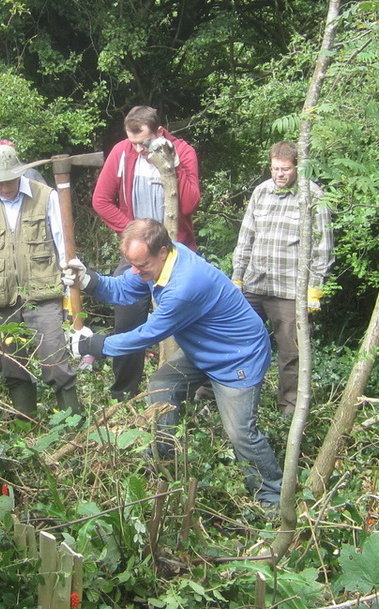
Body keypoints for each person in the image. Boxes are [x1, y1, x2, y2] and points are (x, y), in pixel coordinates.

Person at [64, 219, 284, 509]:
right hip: (202, 347)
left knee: (240, 433)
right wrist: (89, 281)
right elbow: (124, 288)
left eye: (141, 265)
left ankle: (272, 495)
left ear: (163, 251)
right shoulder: (159, 262)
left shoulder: (184, 285)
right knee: (162, 386)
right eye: (132, 264)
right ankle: (163, 458)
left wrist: (93, 346)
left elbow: (147, 334)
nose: (136, 271)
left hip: (237, 355)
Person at [0, 141, 83, 421]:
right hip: (1, 299)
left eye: (8, 180)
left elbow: (64, 245)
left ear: (19, 173)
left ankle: (74, 427)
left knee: (56, 363)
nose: (3, 187)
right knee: (12, 367)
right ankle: (25, 426)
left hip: (44, 296)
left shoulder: (46, 196)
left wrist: (70, 294)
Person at [89, 105, 201, 401]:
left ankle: (184, 392)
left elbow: (190, 204)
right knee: (127, 321)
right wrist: (135, 234)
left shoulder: (183, 152)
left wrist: (174, 165)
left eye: (144, 142)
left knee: (185, 325)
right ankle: (123, 394)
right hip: (138, 254)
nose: (138, 149)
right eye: (133, 142)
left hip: (176, 254)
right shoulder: (122, 153)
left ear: (160, 132)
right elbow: (101, 200)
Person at [231, 141, 334, 414]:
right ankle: (228, 398)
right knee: (237, 342)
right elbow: (246, 238)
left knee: (292, 353)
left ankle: (288, 411)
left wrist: (314, 290)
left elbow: (323, 247)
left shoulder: (313, 196)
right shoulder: (261, 192)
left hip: (290, 291)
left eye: (285, 169)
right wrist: (237, 277)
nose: (279, 174)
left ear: (297, 167)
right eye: (275, 168)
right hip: (254, 285)